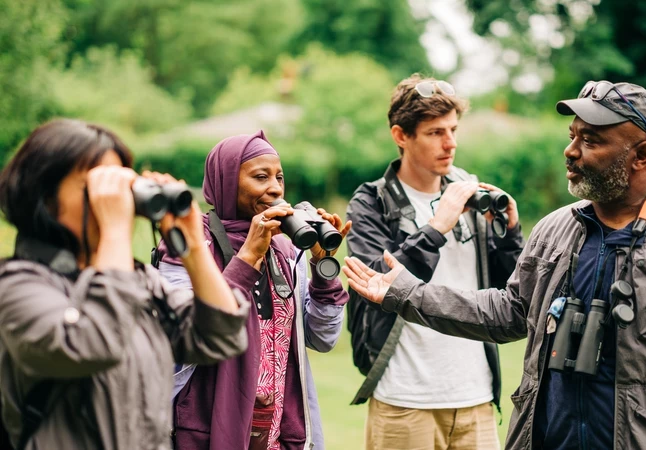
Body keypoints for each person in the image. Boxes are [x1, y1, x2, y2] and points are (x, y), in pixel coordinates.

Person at [343, 81, 646, 450]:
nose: (570, 151)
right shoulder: (556, 228)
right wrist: (408, 293)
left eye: (590, 141)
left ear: (641, 155)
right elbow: (510, 312)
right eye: (572, 136)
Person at [0, 119, 249, 450]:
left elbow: (220, 336)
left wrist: (192, 243)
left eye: (121, 189)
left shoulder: (136, 281)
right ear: (44, 196)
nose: (115, 201)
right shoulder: (17, 286)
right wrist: (116, 230)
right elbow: (92, 342)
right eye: (99, 187)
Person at [345, 74, 524, 450]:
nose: (450, 143)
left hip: (475, 395)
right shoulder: (372, 202)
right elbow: (376, 284)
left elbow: (512, 293)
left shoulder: (472, 196)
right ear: (401, 135)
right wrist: (438, 226)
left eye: (454, 130)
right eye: (434, 132)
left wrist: (510, 232)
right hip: (405, 398)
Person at [158, 131, 350, 450]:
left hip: (279, 435)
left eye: (279, 177)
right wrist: (248, 256)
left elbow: (324, 338)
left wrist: (322, 266)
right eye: (260, 177)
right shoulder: (189, 245)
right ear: (227, 181)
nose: (274, 187)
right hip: (202, 433)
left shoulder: (287, 249)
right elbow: (189, 339)